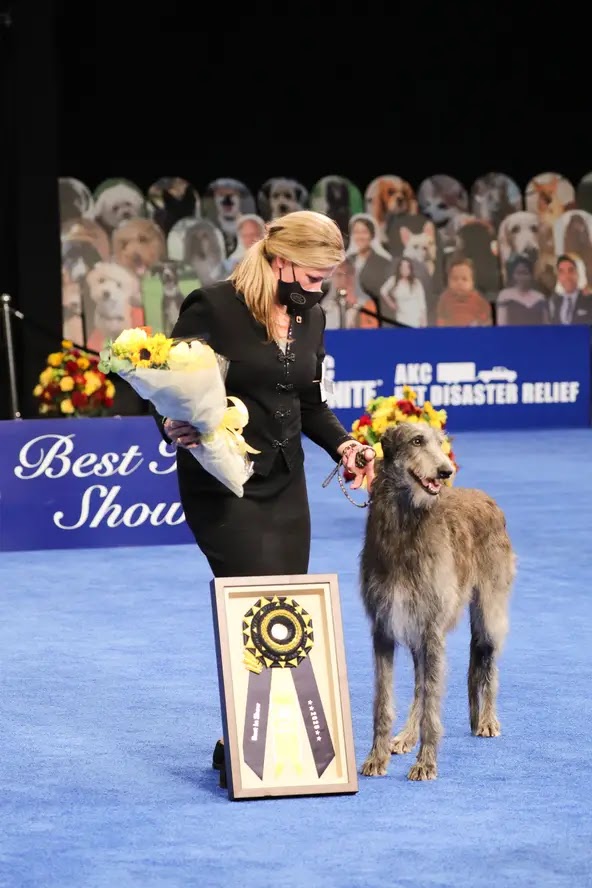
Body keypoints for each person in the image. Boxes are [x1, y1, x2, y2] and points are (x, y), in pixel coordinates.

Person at [155, 210, 376, 785]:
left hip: (286, 484)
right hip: (224, 483)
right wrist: (171, 425)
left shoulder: (312, 314)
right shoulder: (212, 306)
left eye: (326, 278)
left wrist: (345, 446)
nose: (318, 288)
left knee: (286, 612)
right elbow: (171, 389)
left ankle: (254, 741)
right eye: (310, 275)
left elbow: (308, 402)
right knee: (253, 604)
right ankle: (250, 742)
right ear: (278, 260)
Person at [496, 255, 549, 325]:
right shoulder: (505, 295)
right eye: (518, 273)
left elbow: (546, 325)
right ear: (513, 275)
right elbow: (502, 325)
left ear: (531, 275)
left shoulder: (540, 297)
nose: (522, 277)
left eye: (525, 273)